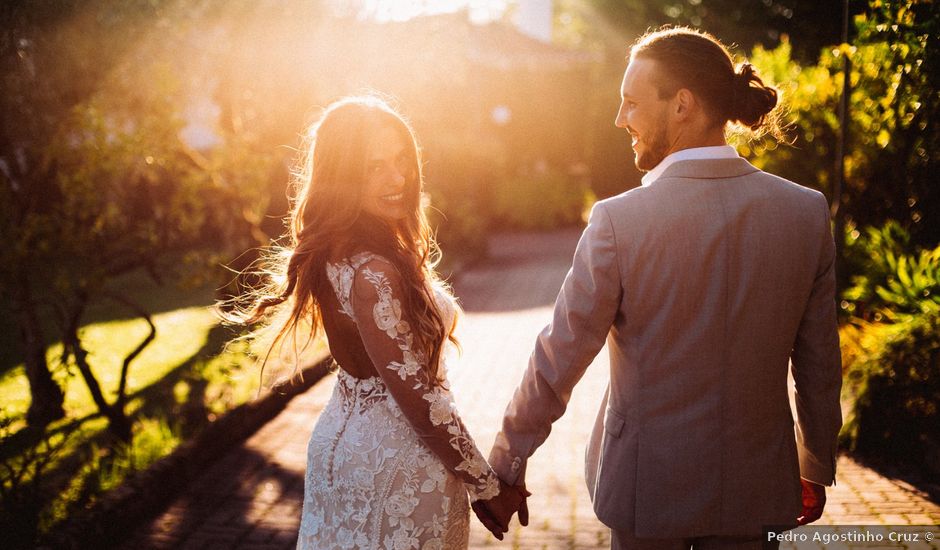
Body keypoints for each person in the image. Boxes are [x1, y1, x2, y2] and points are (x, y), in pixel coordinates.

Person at [477, 27, 843, 549]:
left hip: (647, 491)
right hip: (758, 487)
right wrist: (814, 464)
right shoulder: (805, 212)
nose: (619, 119)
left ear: (682, 105)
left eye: (630, 102)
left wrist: (506, 463)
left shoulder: (618, 221)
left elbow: (559, 356)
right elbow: (820, 363)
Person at [227, 96, 525, 549]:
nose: (398, 178)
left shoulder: (339, 251)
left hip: (343, 451)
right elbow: (420, 401)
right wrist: (487, 486)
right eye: (374, 167)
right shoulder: (374, 272)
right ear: (343, 175)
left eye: (402, 160)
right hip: (398, 468)